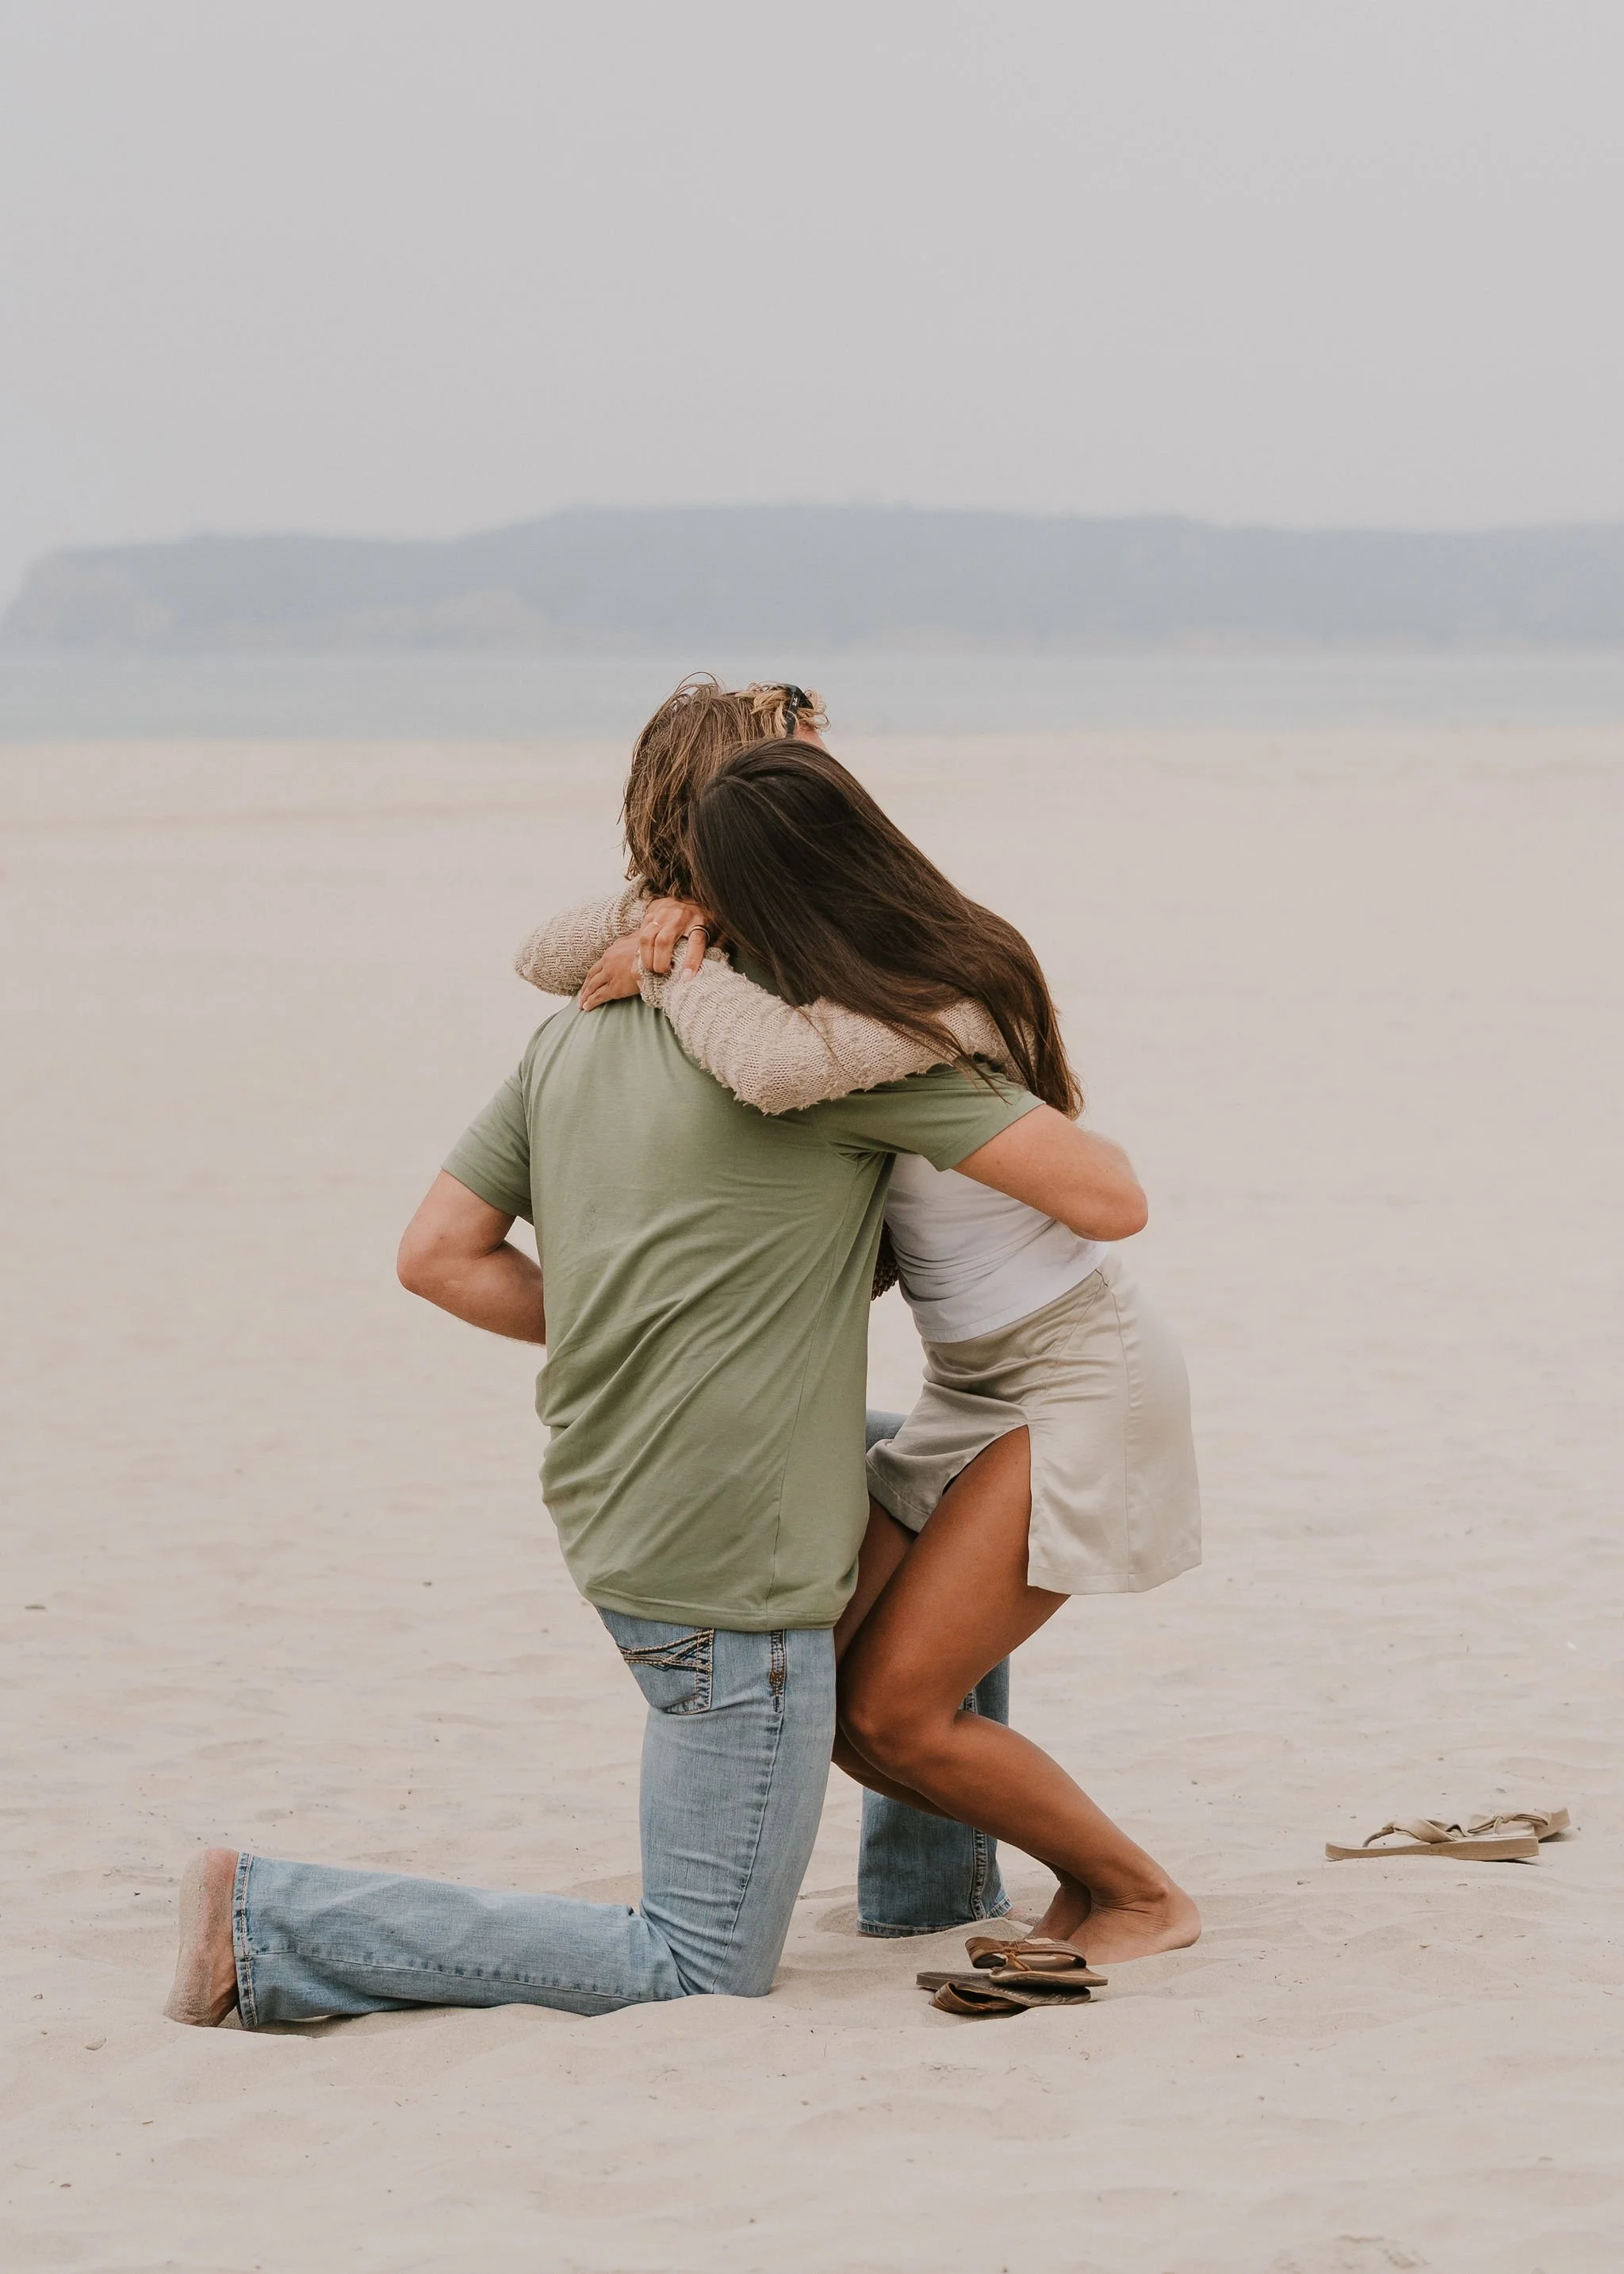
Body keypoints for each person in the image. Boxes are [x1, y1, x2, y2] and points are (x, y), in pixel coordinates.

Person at [162, 699, 1148, 2028]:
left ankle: (930, 1884)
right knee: (696, 1964)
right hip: (729, 1562)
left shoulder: (571, 1031)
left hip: (617, 1496)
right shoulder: (823, 1065)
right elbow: (1098, 1188)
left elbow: (438, 1255)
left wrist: (642, 1323)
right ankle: (268, 1916)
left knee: (891, 1447)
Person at [525, 737, 1203, 1965]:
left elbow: (786, 1072)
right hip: (968, 1383)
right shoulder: (828, 982)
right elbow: (537, 953)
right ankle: (1070, 1879)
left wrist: (674, 971)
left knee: (899, 1707)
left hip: (1074, 1372)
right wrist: (662, 912)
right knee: (826, 1696)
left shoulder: (936, 998)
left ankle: (1141, 1892)